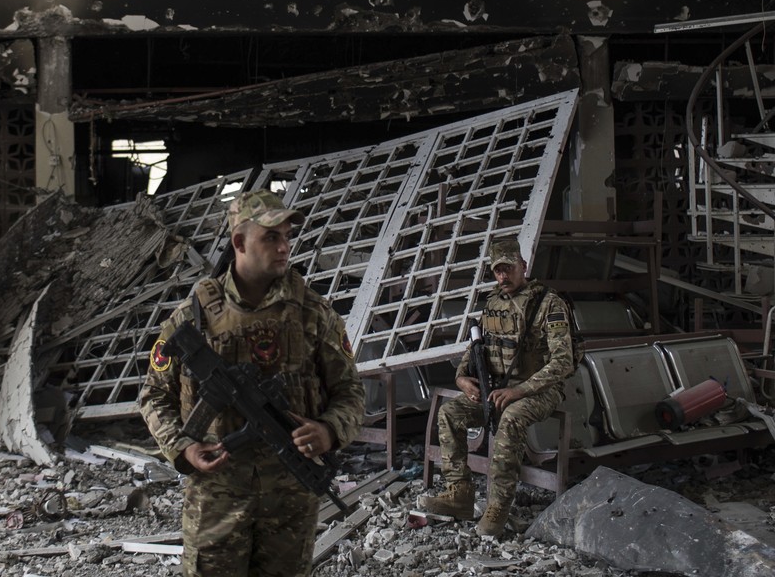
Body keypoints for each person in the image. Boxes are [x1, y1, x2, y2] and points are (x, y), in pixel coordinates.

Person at [138, 190, 365, 577]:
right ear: (239, 242)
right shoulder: (193, 316)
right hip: (216, 498)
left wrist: (329, 430)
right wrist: (184, 447)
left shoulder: (313, 313)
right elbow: (154, 395)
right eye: (271, 237)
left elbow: (351, 392)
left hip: (289, 500)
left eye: (287, 237)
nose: (284, 247)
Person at [417, 237, 574, 537]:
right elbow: (476, 347)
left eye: (509, 269)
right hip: (497, 388)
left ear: (523, 266)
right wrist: (462, 378)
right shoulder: (493, 303)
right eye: (497, 270)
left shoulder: (548, 303)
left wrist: (519, 391)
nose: (503, 276)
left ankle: (498, 505)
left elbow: (562, 362)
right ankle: (460, 493)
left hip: (540, 389)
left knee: (512, 418)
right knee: (449, 413)